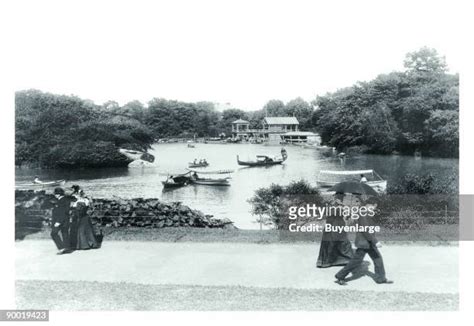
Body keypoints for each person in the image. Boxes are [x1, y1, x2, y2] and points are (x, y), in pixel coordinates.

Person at [334, 199, 393, 285]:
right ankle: (340, 276)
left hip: (368, 242)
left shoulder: (366, 213)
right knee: (356, 261)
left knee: (378, 259)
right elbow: (366, 230)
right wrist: (375, 241)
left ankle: (381, 278)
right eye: (373, 207)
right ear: (368, 205)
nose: (373, 209)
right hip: (364, 242)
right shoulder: (363, 214)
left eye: (374, 207)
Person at [317, 195, 354, 268]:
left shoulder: (341, 206)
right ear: (335, 198)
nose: (340, 200)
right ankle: (327, 261)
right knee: (332, 242)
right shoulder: (332, 205)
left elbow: (347, 216)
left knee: (341, 242)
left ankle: (344, 260)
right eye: (339, 198)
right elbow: (328, 214)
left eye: (341, 198)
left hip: (338, 224)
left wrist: (345, 209)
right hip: (333, 224)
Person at [50, 187, 73, 255]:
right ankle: (67, 248)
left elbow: (62, 212)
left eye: (56, 194)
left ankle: (61, 248)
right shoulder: (65, 200)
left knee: (53, 233)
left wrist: (58, 222)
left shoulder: (61, 201)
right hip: (65, 220)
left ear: (58, 194)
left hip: (60, 220)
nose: (55, 195)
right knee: (65, 233)